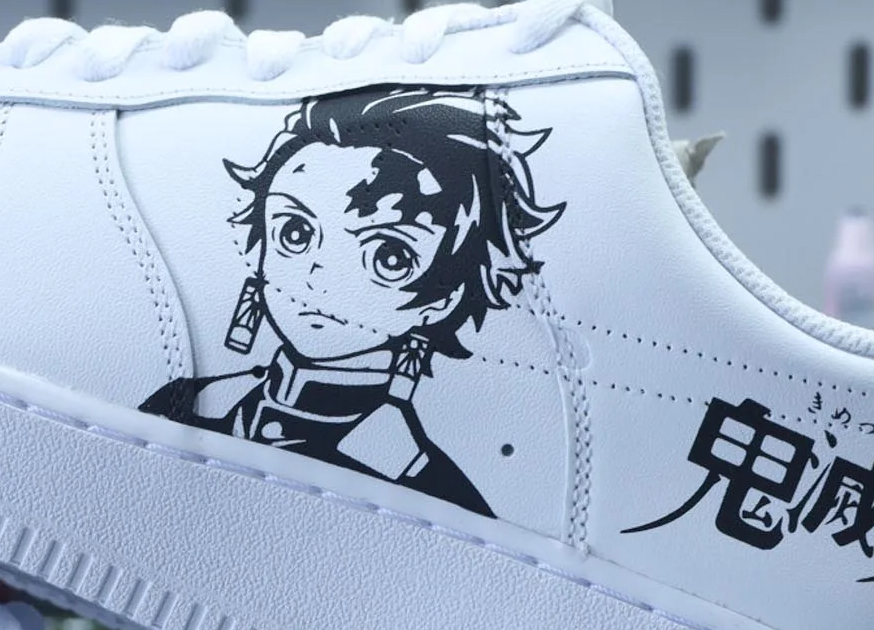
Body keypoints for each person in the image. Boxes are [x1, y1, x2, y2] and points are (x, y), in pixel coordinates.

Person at [141, 85, 565, 516]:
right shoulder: (186, 402)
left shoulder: (428, 485)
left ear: (444, 298)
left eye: (390, 257)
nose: (317, 275)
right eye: (294, 233)